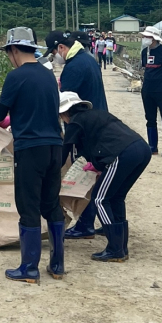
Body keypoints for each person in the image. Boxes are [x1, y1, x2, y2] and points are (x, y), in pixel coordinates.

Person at [0, 27, 64, 284]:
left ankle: (29, 267)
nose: (9, 57)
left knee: (28, 205)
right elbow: (35, 109)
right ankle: (57, 264)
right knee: (51, 204)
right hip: (54, 147)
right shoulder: (48, 75)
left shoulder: (16, 77)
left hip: (30, 149)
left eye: (8, 53)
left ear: (14, 50)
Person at [59, 90, 151, 262]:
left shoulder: (75, 122)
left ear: (64, 112)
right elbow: (99, 142)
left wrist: (53, 171)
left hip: (122, 153)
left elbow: (66, 151)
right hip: (141, 149)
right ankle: (121, 246)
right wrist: (98, 165)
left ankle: (115, 249)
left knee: (100, 199)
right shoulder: (96, 114)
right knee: (116, 197)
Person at [43, 30, 108, 240]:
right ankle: (102, 222)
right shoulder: (88, 59)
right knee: (95, 172)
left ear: (61, 48)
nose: (55, 58)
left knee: (85, 173)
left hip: (85, 127)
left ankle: (86, 224)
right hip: (98, 121)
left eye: (54, 53)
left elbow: (65, 102)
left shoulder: (74, 67)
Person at [139, 25, 162, 157]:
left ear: (154, 38)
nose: (144, 39)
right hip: (148, 89)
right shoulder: (145, 52)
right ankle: (152, 146)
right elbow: (145, 67)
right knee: (150, 118)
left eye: (147, 37)